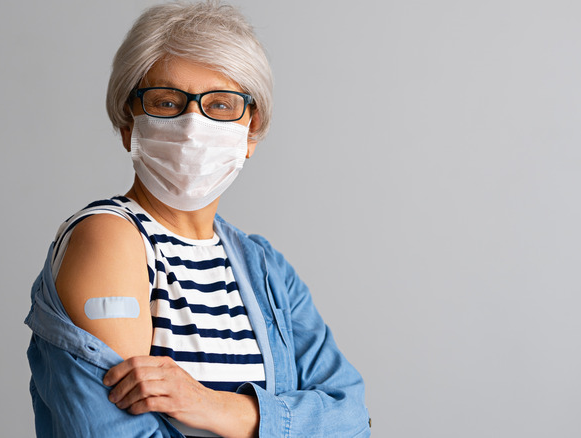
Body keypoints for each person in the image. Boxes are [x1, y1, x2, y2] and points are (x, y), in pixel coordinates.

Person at [24, 1, 371, 437]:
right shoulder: (109, 240)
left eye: (221, 105)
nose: (193, 127)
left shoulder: (264, 269)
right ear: (128, 122)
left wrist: (211, 405)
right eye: (167, 102)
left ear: (252, 130)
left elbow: (352, 420)